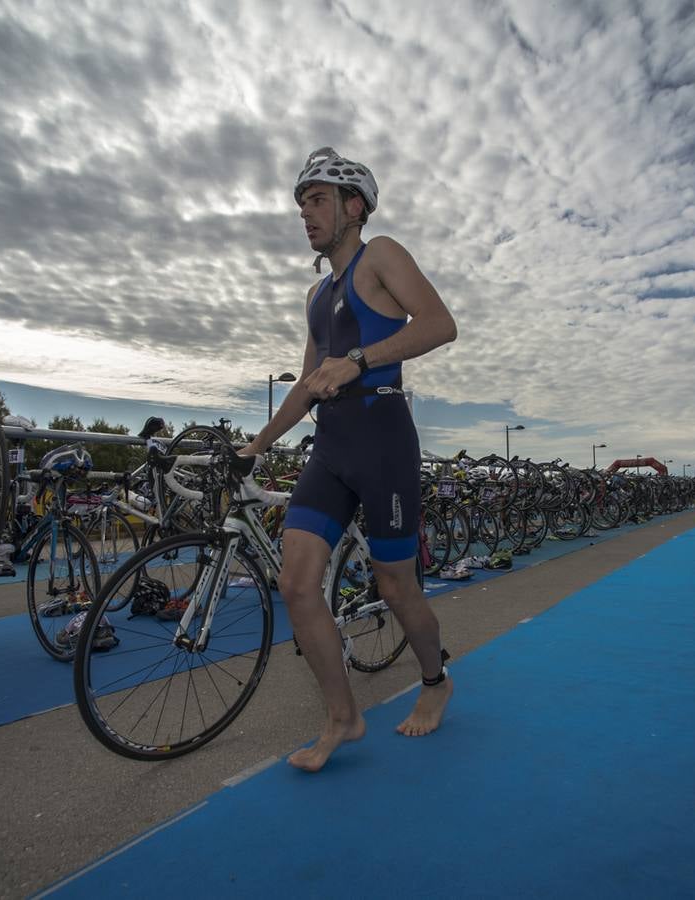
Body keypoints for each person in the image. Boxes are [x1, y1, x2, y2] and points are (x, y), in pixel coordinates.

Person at [239, 147, 458, 772]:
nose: (304, 214)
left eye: (316, 200)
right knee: (297, 582)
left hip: (382, 435)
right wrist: (254, 446)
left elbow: (440, 324)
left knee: (395, 583)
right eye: (301, 203)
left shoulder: (381, 254)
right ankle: (344, 716)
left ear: (352, 205)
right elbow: (307, 383)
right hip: (331, 445)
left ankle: (436, 681)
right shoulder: (315, 295)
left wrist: (358, 360)